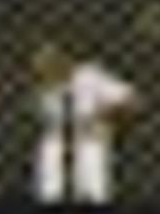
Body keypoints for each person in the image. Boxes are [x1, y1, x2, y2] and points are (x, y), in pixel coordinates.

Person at [27, 38, 141, 201]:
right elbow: (44, 117)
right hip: (56, 148)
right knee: (50, 195)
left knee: (93, 196)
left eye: (49, 62)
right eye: (40, 66)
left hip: (89, 144)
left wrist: (100, 117)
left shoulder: (90, 76)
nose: (44, 70)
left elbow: (131, 100)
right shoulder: (45, 90)